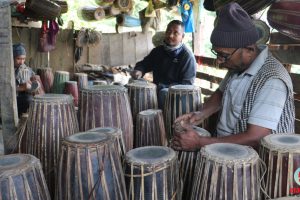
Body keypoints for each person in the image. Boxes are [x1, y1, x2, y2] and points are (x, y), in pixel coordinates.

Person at [172, 2, 295, 151]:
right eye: (217, 54)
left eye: (224, 55)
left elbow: (256, 137)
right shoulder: (238, 66)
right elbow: (221, 93)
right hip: (228, 150)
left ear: (249, 49)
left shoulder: (272, 80)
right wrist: (200, 114)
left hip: (256, 162)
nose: (219, 61)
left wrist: (200, 143)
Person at [130, 20, 197, 109]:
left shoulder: (187, 56)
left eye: (175, 33)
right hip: (156, 92)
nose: (170, 35)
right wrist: (139, 70)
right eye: (168, 31)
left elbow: (187, 84)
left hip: (176, 98)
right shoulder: (158, 51)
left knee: (163, 92)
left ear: (182, 36)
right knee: (134, 84)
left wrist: (164, 87)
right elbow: (145, 63)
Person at [13, 43, 36, 117]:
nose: (21, 62)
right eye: (18, 59)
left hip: (20, 99)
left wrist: (33, 84)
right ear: (12, 58)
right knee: (28, 100)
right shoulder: (5, 70)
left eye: (23, 59)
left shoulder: (26, 69)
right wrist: (21, 88)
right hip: (9, 100)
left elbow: (34, 81)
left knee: (31, 100)